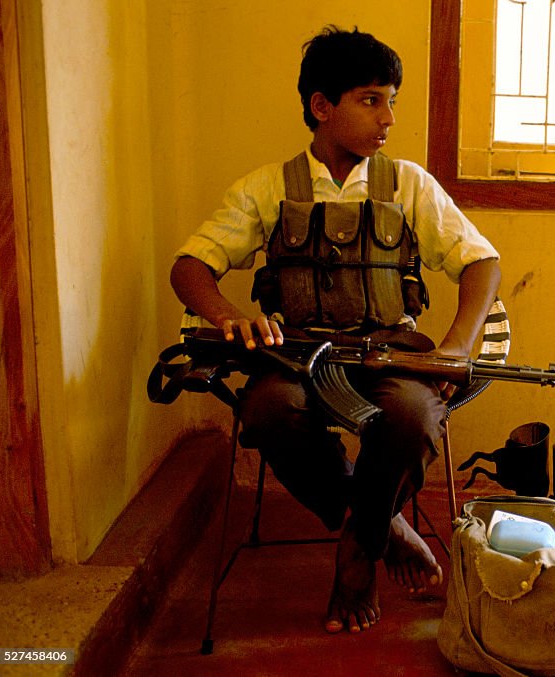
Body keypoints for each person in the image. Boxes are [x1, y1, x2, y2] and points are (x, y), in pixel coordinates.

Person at [169, 25, 501, 635]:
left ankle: (356, 551)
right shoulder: (268, 188)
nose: (389, 118)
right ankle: (378, 525)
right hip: (296, 359)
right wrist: (230, 318)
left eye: (391, 100)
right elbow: (191, 267)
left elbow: (482, 261)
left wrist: (456, 347)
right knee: (266, 412)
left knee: (412, 417)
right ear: (322, 106)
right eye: (371, 99)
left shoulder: (408, 184)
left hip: (390, 353)